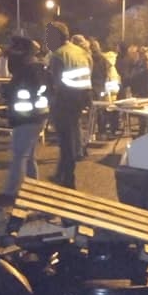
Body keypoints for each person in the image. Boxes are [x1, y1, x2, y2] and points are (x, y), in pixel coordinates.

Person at [0, 35, 52, 202]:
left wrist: (5, 90)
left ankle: (11, 192)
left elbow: (9, 92)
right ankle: (33, 188)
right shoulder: (40, 69)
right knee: (28, 155)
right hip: (37, 116)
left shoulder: (25, 71)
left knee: (20, 155)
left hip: (26, 118)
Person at [45, 21, 92, 189]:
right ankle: (62, 174)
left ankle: (68, 179)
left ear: (58, 36)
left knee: (65, 141)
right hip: (81, 98)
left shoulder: (58, 55)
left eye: (49, 36)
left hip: (64, 99)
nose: (47, 40)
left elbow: (54, 82)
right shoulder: (82, 52)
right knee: (71, 135)